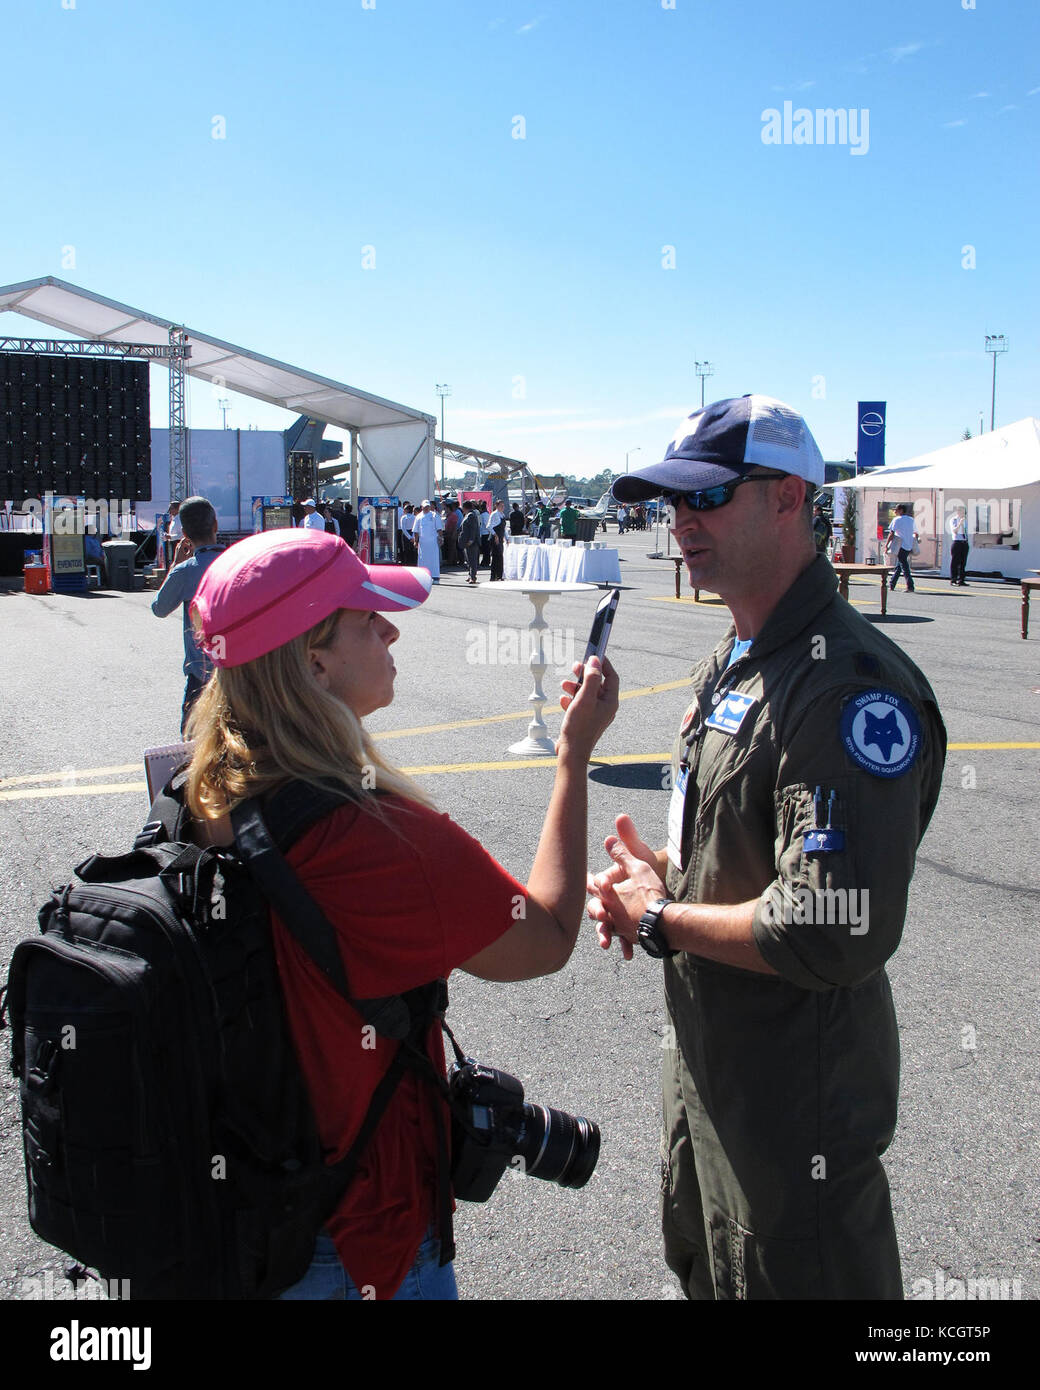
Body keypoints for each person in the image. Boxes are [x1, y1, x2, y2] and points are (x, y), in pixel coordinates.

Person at [184, 527, 618, 1300]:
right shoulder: (380, 841)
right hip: (359, 1246)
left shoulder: (197, 796)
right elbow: (547, 936)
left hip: (235, 1218)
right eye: (364, 617)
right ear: (314, 665)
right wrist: (573, 758)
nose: (390, 629)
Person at [588, 394, 946, 1300]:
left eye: (704, 497)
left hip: (796, 1106)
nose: (678, 521)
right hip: (717, 1076)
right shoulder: (737, 657)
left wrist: (662, 917)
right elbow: (752, 860)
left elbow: (828, 924)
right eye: (670, 502)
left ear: (789, 497)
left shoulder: (845, 689)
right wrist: (662, 879)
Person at [150, 495, 224, 734]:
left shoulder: (184, 572)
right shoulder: (238, 563)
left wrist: (174, 565)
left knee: (192, 743)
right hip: (238, 675)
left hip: (200, 674)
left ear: (184, 533)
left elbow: (159, 608)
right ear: (215, 525)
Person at [886, 504, 918, 592]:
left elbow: (891, 533)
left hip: (900, 545)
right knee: (900, 564)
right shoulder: (911, 520)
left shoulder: (897, 520)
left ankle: (910, 586)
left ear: (901, 510)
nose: (895, 511)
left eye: (896, 510)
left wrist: (887, 545)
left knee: (904, 566)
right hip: (908, 545)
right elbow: (916, 533)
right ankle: (892, 584)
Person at [413, 499, 441, 583]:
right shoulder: (418, 517)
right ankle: (423, 577)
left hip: (433, 542)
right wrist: (415, 541)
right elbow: (416, 530)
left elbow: (439, 529)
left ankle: (435, 577)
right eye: (425, 507)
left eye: (428, 506)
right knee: (422, 560)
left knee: (434, 559)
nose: (426, 508)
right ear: (422, 507)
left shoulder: (434, 515)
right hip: (423, 543)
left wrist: (441, 538)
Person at [459, 501, 481, 584]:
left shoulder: (471, 515)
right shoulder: (468, 515)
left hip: (471, 542)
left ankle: (473, 577)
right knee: (469, 559)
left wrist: (471, 540)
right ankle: (470, 575)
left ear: (465, 507)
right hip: (467, 541)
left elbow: (473, 529)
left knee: (472, 560)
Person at [949, 508, 969, 586]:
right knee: (955, 562)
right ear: (958, 512)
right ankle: (953, 579)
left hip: (964, 542)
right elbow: (955, 531)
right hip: (957, 542)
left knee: (963, 562)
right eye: (963, 512)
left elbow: (965, 531)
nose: (964, 514)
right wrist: (960, 523)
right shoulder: (953, 520)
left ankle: (961, 579)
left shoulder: (965, 520)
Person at [488, 499, 506, 580]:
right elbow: (489, 526)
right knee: (495, 557)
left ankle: (499, 575)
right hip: (495, 539)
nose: (503, 507)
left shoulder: (502, 515)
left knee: (500, 557)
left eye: (503, 506)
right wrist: (495, 535)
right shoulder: (494, 514)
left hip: (500, 538)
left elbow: (503, 528)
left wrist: (506, 537)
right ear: (496, 506)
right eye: (501, 506)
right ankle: (494, 576)